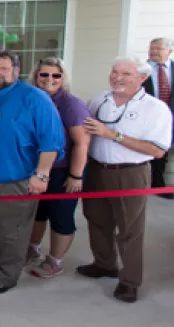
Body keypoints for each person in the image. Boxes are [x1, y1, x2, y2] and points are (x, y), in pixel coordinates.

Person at [0, 51, 64, 294]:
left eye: (4, 68)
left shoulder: (35, 98)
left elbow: (51, 142)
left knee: (10, 233)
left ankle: (4, 276)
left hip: (13, 179)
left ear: (16, 71)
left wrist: (41, 174)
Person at [79, 56, 172, 303]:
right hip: (97, 170)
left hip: (130, 173)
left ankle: (130, 281)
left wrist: (113, 135)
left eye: (126, 74)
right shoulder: (100, 100)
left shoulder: (155, 108)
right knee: (96, 220)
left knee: (130, 229)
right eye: (114, 71)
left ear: (142, 78)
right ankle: (104, 264)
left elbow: (157, 150)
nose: (117, 77)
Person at [26, 57, 90, 278]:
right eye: (44, 74)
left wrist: (76, 175)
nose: (49, 79)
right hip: (34, 168)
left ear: (63, 78)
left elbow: (81, 142)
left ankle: (55, 260)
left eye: (56, 75)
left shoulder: (71, 104)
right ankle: (32, 248)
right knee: (37, 213)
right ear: (36, 75)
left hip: (63, 170)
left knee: (60, 215)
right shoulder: (31, 99)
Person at [142, 37, 174, 198]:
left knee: (164, 150)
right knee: (148, 149)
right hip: (147, 118)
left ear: (169, 51)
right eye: (151, 48)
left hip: (170, 118)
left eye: (158, 49)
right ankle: (148, 184)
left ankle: (158, 186)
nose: (153, 52)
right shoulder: (141, 69)